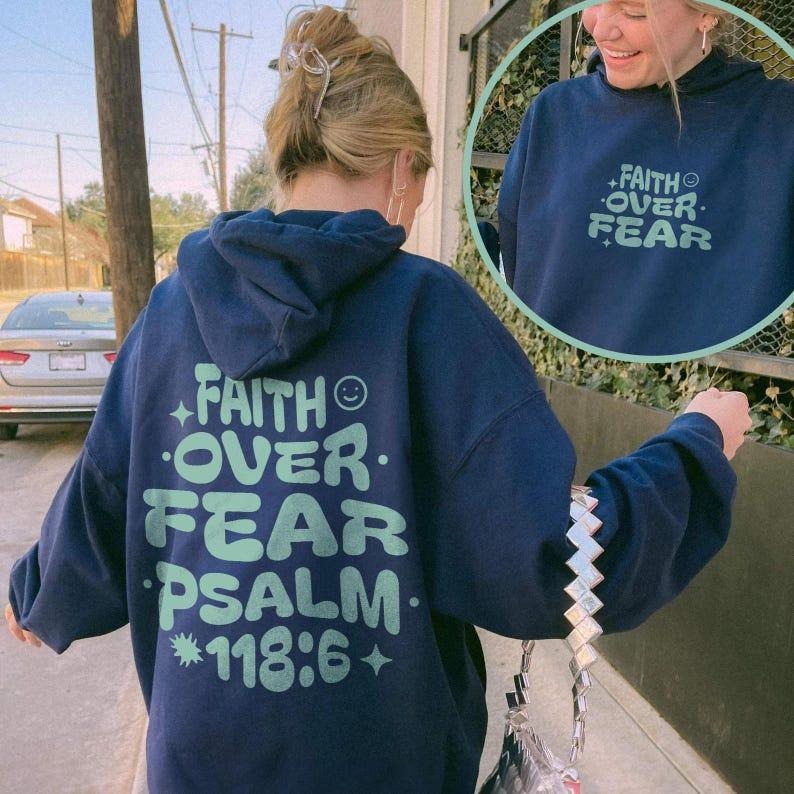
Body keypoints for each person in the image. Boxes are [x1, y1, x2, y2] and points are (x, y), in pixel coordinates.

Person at [6, 7, 750, 793]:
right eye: (422, 184)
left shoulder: (170, 314)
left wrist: (41, 591)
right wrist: (697, 445)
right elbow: (554, 562)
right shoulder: (428, 311)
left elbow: (107, 492)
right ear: (403, 168)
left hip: (199, 767)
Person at [497, 0, 794, 357]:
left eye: (634, 11)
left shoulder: (779, 123)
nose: (600, 30)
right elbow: (516, 265)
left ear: (706, 14)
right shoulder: (552, 114)